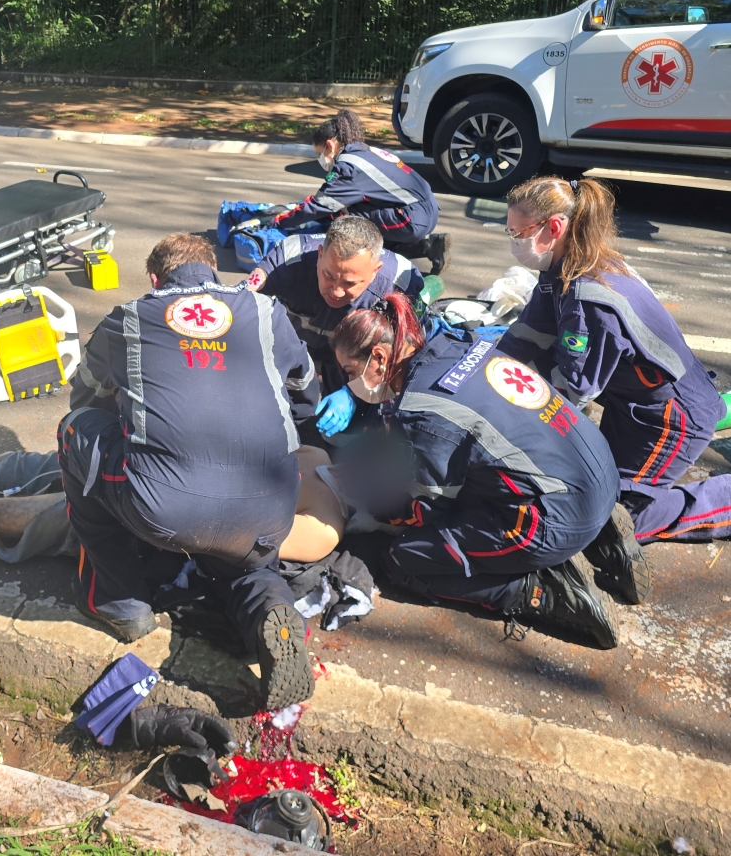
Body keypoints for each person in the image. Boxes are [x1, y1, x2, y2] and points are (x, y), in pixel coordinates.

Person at [60, 232, 321, 709]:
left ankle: (119, 602)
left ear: (154, 279)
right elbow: (306, 394)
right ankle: (271, 608)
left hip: (167, 508)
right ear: (213, 271)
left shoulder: (128, 318)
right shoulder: (266, 311)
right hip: (267, 509)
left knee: (73, 429)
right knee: (246, 560)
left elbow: (87, 397)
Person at [332, 293, 630, 649]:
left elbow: (426, 508)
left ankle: (539, 591)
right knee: (484, 470)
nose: (350, 383)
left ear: (380, 358)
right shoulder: (458, 343)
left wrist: (375, 504)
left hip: (557, 517)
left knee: (404, 558)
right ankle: (603, 535)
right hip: (598, 470)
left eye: (351, 372)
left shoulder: (419, 412)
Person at [497, 176, 731, 600]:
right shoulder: (568, 266)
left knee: (615, 518)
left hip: (671, 420)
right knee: (591, 485)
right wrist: (485, 368)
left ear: (553, 228)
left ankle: (723, 498)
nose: (513, 241)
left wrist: (513, 421)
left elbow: (573, 392)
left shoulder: (588, 299)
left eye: (518, 233)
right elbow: (529, 334)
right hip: (634, 406)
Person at [0, 445, 347, 567]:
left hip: (131, 512)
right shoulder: (318, 457)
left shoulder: (322, 531)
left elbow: (216, 530)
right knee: (12, 469)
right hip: (138, 467)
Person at [248, 216, 424, 437]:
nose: (336, 291)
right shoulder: (288, 257)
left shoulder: (402, 282)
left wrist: (354, 392)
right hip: (291, 344)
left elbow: (403, 357)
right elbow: (237, 303)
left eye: (350, 283)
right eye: (329, 275)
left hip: (350, 361)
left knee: (348, 435)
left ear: (375, 270)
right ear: (320, 254)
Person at [271, 109, 450, 274]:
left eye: (319, 153)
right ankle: (429, 246)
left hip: (412, 219)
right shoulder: (363, 150)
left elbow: (320, 205)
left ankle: (372, 267)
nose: (320, 159)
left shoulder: (349, 167)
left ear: (330, 145)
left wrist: (281, 221)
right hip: (427, 211)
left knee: (344, 216)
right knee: (357, 212)